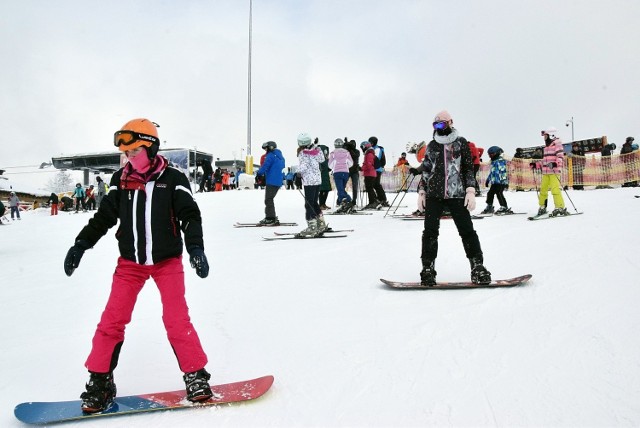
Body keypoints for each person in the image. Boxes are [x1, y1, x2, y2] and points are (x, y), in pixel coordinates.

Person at [63, 118, 212, 413]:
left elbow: (190, 216)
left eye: (134, 152)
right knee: (111, 321)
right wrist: (80, 245)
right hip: (130, 264)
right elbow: (103, 218)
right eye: (125, 153)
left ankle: (195, 375)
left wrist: (196, 248)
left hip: (166, 261)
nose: (128, 157)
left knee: (176, 319)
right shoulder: (120, 179)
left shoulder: (174, 179)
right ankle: (100, 381)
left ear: (150, 147)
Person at [408, 110, 491, 286]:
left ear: (450, 123)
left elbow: (468, 168)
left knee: (467, 231)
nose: (439, 128)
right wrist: (422, 192)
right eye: (435, 125)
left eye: (442, 124)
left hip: (457, 194)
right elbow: (427, 170)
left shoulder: (461, 143)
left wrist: (470, 190)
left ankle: (478, 266)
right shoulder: (432, 146)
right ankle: (428, 268)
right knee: (430, 233)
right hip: (434, 195)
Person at [296, 133, 327, 237]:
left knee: (308, 204)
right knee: (314, 202)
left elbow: (304, 165)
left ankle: (312, 227)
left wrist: (297, 174)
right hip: (317, 180)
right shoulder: (316, 151)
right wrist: (316, 147)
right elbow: (322, 159)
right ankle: (321, 223)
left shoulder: (303, 153)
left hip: (309, 181)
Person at [533, 127, 567, 216]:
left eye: (545, 136)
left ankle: (560, 207)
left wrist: (555, 164)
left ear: (551, 135)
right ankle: (542, 207)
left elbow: (560, 157)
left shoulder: (557, 145)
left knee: (555, 189)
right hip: (546, 172)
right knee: (543, 190)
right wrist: (536, 165)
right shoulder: (546, 147)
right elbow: (545, 160)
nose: (544, 138)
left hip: (554, 171)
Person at [256, 141, 285, 225]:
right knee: (270, 199)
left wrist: (259, 173)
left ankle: (270, 218)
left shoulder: (270, 155)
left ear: (270, 147)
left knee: (268, 199)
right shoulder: (280, 156)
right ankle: (271, 216)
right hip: (278, 180)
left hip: (272, 180)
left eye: (266, 148)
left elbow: (265, 166)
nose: (265, 150)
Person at [480, 146, 511, 214]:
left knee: (499, 193)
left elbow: (505, 171)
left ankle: (504, 207)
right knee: (490, 193)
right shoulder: (493, 162)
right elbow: (493, 172)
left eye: (492, 154)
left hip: (501, 181)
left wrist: (505, 181)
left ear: (497, 153)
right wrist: (488, 179)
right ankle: (489, 206)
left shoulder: (502, 160)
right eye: (489, 154)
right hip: (495, 181)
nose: (490, 156)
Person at [328, 138, 354, 212]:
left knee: (340, 189)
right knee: (342, 188)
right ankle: (347, 201)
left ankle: (345, 202)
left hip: (337, 173)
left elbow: (330, 165)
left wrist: (335, 165)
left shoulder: (333, 153)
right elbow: (351, 163)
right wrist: (345, 166)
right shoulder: (347, 153)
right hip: (345, 172)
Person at [368, 136, 388, 206]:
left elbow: (376, 158)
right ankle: (380, 198)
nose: (370, 144)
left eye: (371, 142)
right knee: (375, 184)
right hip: (374, 169)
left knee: (375, 184)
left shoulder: (377, 149)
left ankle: (382, 199)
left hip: (377, 169)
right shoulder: (372, 149)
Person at [360, 141, 380, 209]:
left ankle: (372, 202)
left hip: (369, 173)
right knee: (370, 188)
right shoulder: (370, 153)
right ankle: (375, 201)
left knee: (369, 188)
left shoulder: (369, 154)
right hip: (371, 173)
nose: (362, 149)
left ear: (366, 146)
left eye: (362, 147)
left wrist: (361, 168)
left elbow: (368, 165)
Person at [345, 139, 360, 206]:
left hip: (355, 171)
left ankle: (354, 200)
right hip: (347, 170)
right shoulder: (347, 151)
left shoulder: (357, 151)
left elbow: (354, 156)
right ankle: (341, 199)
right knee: (342, 185)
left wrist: (350, 149)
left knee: (355, 186)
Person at [317, 140, 332, 210]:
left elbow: (329, 168)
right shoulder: (319, 159)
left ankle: (323, 204)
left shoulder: (326, 159)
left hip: (326, 176)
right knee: (322, 191)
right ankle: (321, 204)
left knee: (326, 190)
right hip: (321, 177)